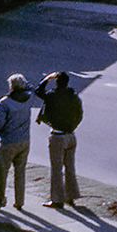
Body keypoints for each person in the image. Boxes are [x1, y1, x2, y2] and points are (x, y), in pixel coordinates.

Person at [36, 72, 83, 209]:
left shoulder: (52, 96)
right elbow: (80, 114)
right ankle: (71, 197)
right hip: (71, 136)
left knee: (56, 169)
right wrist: (73, 125)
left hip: (57, 136)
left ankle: (57, 200)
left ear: (56, 82)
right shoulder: (74, 97)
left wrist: (46, 79)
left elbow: (38, 91)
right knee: (70, 167)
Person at [0, 74, 33, 210]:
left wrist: (2, 131)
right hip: (25, 141)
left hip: (9, 142)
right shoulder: (29, 99)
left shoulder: (5, 102)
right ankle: (19, 201)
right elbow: (31, 88)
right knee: (20, 172)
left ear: (11, 86)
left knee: (2, 172)